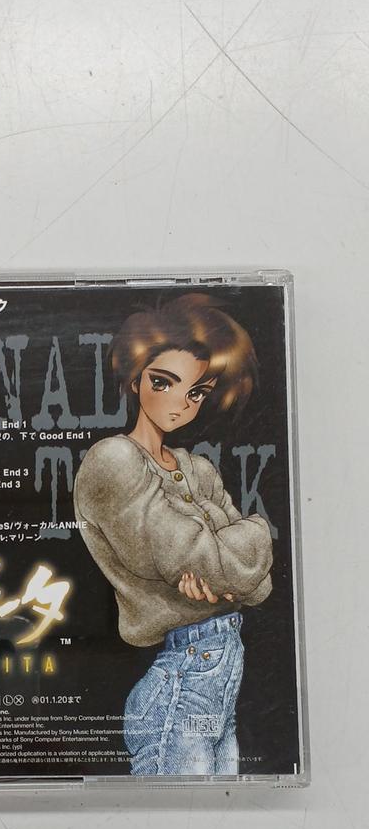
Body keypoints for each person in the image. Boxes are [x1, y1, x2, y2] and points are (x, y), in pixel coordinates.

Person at [73, 293, 273, 777]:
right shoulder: (113, 461)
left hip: (223, 677)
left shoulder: (196, 468)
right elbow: (203, 559)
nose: (181, 403)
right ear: (135, 379)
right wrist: (248, 537)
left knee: (222, 813)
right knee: (174, 817)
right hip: (182, 680)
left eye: (197, 392)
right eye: (163, 382)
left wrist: (232, 564)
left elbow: (259, 586)